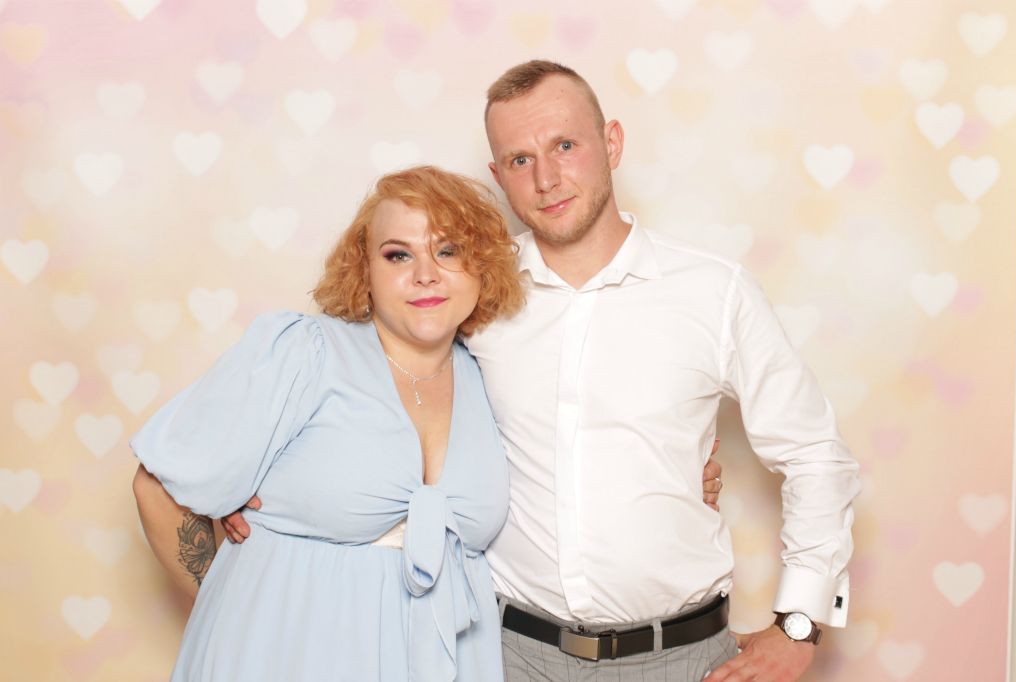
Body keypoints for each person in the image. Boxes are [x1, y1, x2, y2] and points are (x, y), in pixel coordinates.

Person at [229, 60, 860, 681]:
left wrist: (800, 624)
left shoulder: (713, 293)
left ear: (611, 143)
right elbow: (372, 376)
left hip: (682, 657)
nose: (547, 179)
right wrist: (254, 475)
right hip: (509, 655)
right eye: (519, 159)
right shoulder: (469, 292)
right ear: (497, 176)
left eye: (565, 146)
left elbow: (814, 454)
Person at [131, 166, 525, 682]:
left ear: (482, 266)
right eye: (398, 254)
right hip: (282, 660)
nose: (426, 274)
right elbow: (157, 490)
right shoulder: (304, 353)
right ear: (365, 269)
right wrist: (232, 603)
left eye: (448, 251)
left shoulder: (490, 375)